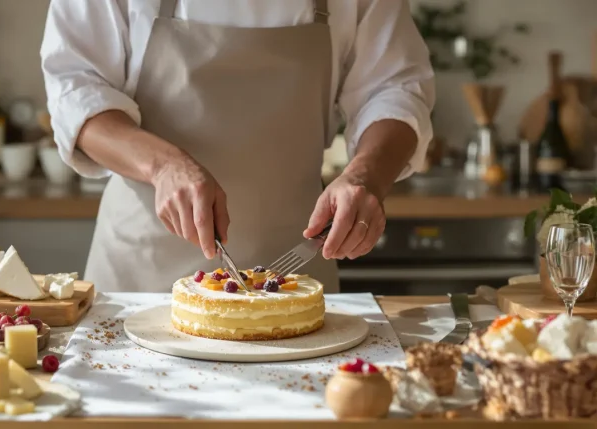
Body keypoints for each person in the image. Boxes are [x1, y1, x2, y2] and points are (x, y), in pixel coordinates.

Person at [41, 0, 435, 293]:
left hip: (295, 271)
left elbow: (395, 87)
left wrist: (366, 176)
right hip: (141, 278)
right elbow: (75, 89)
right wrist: (162, 166)